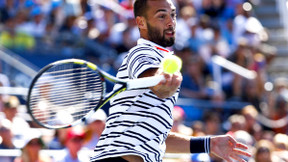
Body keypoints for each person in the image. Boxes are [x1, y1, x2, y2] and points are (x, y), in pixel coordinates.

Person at [91, 0, 251, 162]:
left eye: (173, 15)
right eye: (161, 16)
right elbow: (156, 83)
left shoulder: (161, 57)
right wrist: (163, 81)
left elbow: (157, 138)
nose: (171, 22)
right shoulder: (141, 53)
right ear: (141, 22)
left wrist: (209, 144)